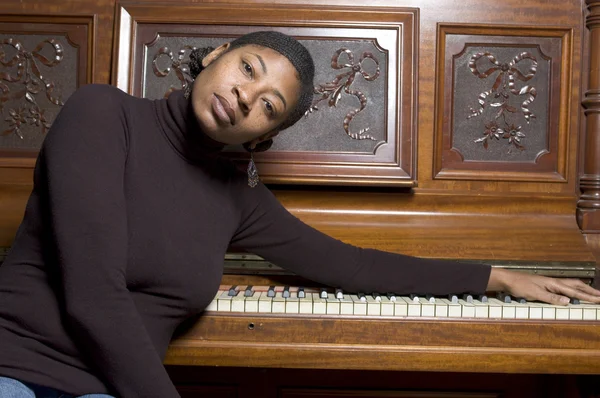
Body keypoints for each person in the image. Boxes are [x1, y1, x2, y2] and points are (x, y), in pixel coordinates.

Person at [0, 31, 598, 398]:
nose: (246, 97)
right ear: (216, 55)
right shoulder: (103, 115)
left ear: (266, 135)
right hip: (15, 370)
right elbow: (92, 295)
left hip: (105, 389)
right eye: (248, 69)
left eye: (270, 106)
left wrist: (497, 278)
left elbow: (354, 266)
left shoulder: (238, 198)